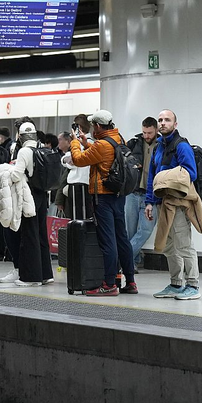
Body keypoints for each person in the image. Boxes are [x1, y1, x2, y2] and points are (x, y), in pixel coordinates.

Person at [70, 110, 135, 296]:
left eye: (93, 126)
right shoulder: (118, 138)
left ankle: (108, 285)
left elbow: (78, 159)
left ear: (98, 126)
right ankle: (130, 281)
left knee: (108, 240)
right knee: (122, 238)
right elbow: (102, 152)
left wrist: (75, 142)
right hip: (118, 195)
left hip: (103, 197)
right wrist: (86, 143)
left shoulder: (100, 145)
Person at [145, 110, 201, 300]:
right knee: (169, 245)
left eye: (167, 120)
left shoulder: (181, 145)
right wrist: (149, 202)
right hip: (161, 202)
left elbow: (191, 173)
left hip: (177, 203)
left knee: (184, 244)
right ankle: (176, 283)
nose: (162, 123)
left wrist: (167, 178)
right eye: (160, 120)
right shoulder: (158, 147)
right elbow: (151, 176)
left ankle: (193, 284)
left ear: (175, 124)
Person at [0, 122, 55, 286]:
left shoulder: (24, 151)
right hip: (42, 195)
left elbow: (17, 175)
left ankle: (31, 277)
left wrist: (8, 169)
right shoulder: (43, 148)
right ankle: (45, 274)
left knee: (28, 235)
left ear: (21, 136)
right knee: (40, 235)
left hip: (28, 196)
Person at [126, 117, 158, 270]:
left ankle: (123, 258)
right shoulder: (134, 143)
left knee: (145, 229)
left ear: (156, 130)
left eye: (150, 132)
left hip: (151, 195)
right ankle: (132, 262)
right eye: (144, 132)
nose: (146, 136)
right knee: (129, 231)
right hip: (133, 192)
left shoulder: (162, 145)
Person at [61, 114, 92, 220]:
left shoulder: (88, 142)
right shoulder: (78, 142)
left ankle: (80, 236)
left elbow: (76, 160)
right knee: (75, 216)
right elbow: (67, 159)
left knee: (80, 216)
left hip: (82, 182)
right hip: (75, 183)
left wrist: (70, 160)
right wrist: (68, 159)